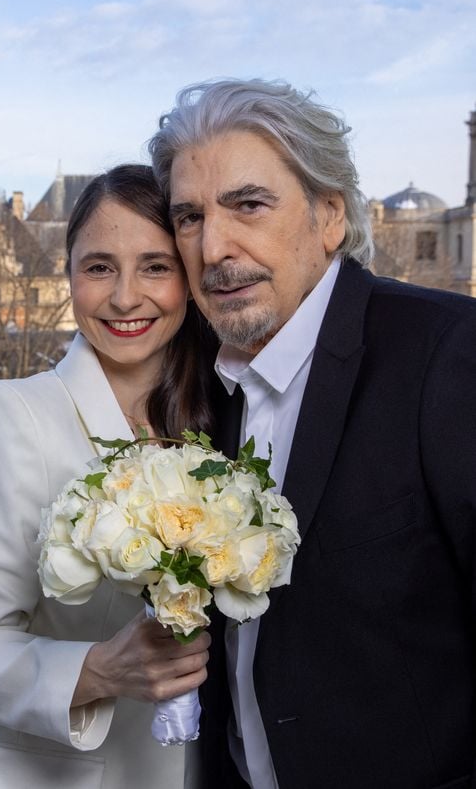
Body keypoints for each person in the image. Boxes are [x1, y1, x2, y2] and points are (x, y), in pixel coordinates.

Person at [148, 79, 476, 789]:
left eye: (248, 205)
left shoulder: (445, 354)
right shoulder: (206, 394)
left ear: (330, 215)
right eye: (188, 217)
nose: (213, 246)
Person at [0, 164, 219, 789]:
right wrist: (98, 671)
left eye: (155, 266)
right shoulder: (12, 414)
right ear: (69, 276)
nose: (124, 297)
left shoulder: (226, 418)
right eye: (98, 267)